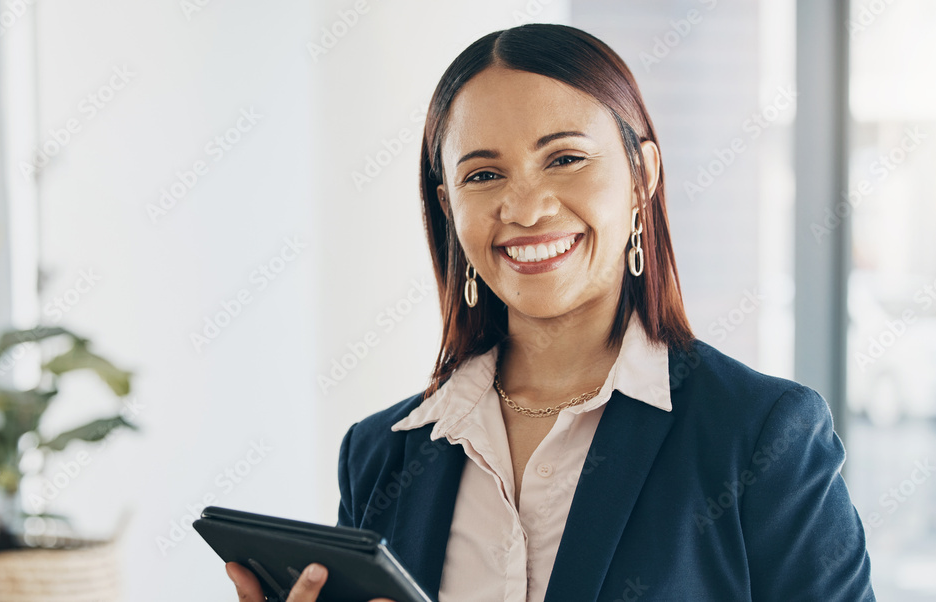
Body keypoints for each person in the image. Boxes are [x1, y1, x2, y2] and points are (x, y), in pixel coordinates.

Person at [227, 23, 875, 601]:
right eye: (483, 175)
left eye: (565, 159)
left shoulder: (761, 437)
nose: (527, 208)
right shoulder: (378, 456)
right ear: (448, 205)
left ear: (642, 175)